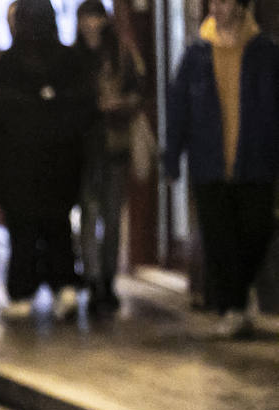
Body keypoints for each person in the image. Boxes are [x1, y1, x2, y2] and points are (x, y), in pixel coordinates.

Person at [164, 0, 279, 338]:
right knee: (220, 237)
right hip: (209, 162)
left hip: (255, 160)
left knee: (257, 230)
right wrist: (172, 157)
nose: (217, 7)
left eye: (225, 0)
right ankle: (234, 306)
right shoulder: (196, 54)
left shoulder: (265, 52)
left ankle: (240, 297)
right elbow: (178, 108)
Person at [0, 0, 93, 320]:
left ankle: (27, 292)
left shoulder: (8, 64)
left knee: (30, 229)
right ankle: (60, 287)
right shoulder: (65, 61)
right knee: (51, 227)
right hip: (53, 165)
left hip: (28, 165)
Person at [74, 0, 144, 317]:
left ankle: (108, 280)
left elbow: (139, 89)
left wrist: (120, 103)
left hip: (115, 144)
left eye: (95, 17)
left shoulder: (120, 54)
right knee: (89, 216)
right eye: (86, 17)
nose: (91, 24)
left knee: (113, 216)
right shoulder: (73, 57)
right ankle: (93, 281)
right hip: (85, 147)